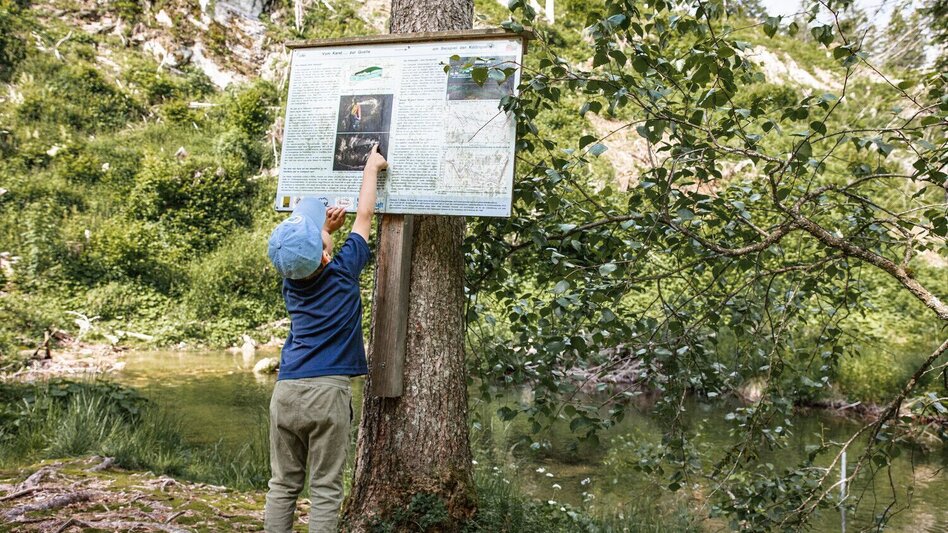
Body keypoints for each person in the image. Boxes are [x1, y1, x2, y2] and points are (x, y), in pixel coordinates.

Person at [264, 145, 387, 532]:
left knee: (282, 485)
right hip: (327, 393)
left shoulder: (290, 283)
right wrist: (372, 168)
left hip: (286, 391)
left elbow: (304, 258)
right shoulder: (344, 271)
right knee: (325, 489)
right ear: (324, 255)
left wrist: (325, 233)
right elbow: (364, 216)